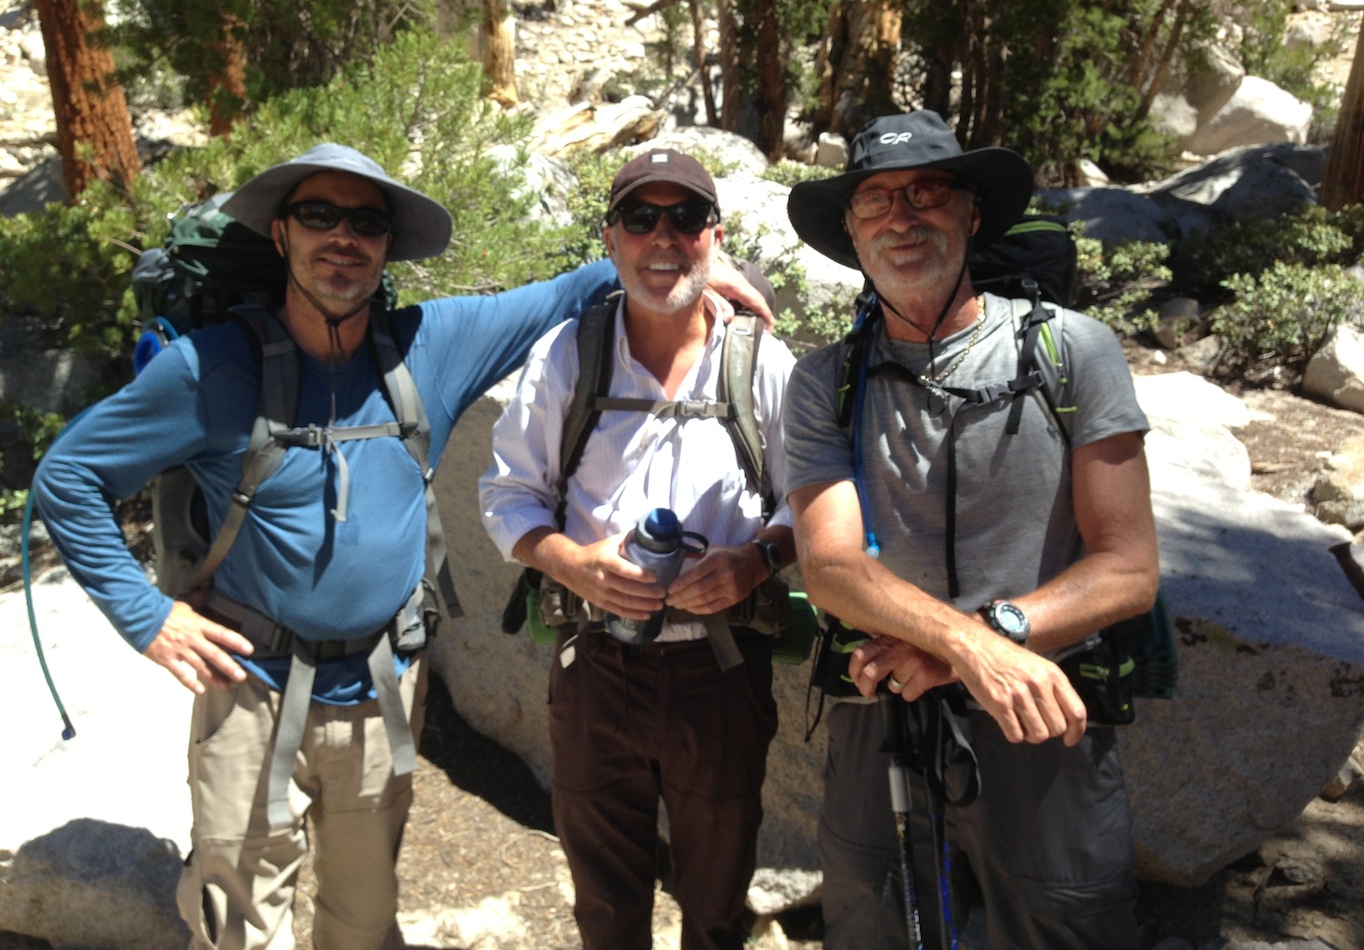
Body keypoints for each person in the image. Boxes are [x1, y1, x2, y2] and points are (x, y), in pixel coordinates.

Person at [33, 143, 771, 950]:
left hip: (381, 686)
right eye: (319, 215)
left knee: (362, 921)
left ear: (388, 244)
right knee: (242, 928)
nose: (343, 237)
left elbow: (573, 287)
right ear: (280, 234)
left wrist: (691, 272)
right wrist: (146, 615)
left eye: (367, 221)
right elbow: (68, 478)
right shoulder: (209, 371)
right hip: (250, 686)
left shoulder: (431, 346)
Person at [781, 111, 1160, 949]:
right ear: (850, 230)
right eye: (874, 201)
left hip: (1041, 714)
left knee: (1062, 927)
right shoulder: (823, 383)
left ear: (972, 213)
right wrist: (971, 649)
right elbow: (831, 564)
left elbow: (1129, 565)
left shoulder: (1074, 353)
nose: (901, 218)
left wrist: (976, 643)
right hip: (881, 712)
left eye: (926, 193)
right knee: (872, 924)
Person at [478, 149, 797, 950]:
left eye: (686, 218)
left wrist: (756, 559)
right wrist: (572, 564)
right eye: (642, 218)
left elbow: (810, 502)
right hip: (596, 668)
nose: (664, 238)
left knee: (717, 899)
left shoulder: (759, 361)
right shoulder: (566, 356)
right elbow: (506, 492)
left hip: (720, 672)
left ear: (714, 239)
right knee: (606, 902)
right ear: (612, 239)